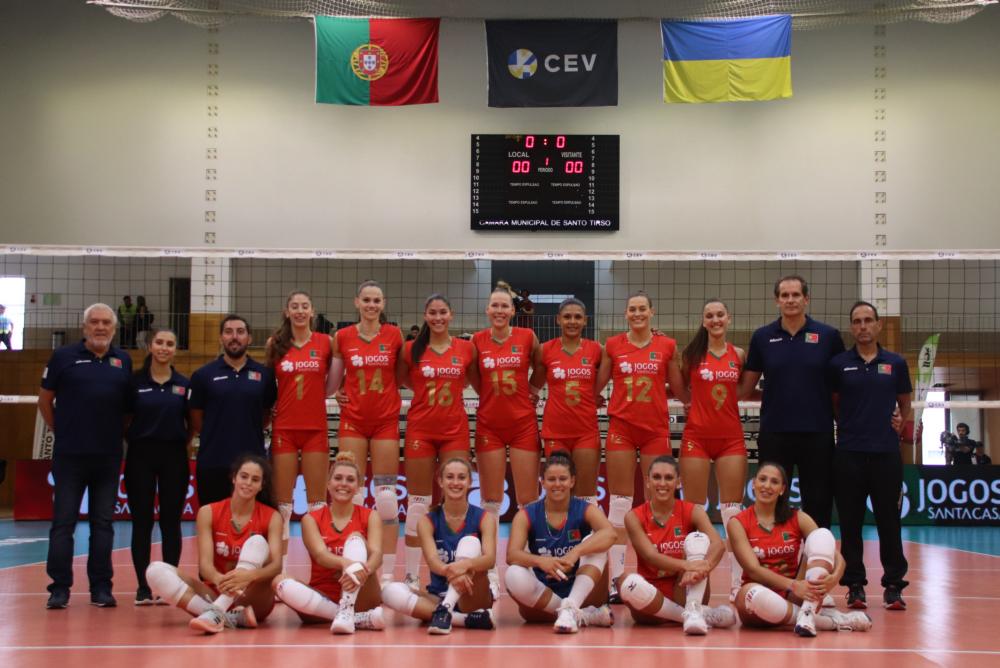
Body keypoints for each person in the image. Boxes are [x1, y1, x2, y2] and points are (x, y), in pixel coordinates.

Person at [38, 303, 133, 609]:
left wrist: (116, 434)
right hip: (70, 456)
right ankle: (59, 589)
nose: (100, 327)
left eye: (106, 322)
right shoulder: (63, 357)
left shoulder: (123, 360)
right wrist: (62, 430)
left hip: (107, 457)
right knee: (63, 523)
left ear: (114, 328)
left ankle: (101, 588)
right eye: (94, 322)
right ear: (85, 327)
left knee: (103, 524)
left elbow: (127, 410)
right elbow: (45, 400)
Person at [740, 275, 845, 528]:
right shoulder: (762, 337)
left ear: (806, 299)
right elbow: (744, 389)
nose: (790, 300)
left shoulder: (828, 336)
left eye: (796, 295)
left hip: (817, 433)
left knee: (819, 501)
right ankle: (773, 550)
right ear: (777, 300)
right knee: (772, 501)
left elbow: (841, 388)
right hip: (775, 433)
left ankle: (817, 551)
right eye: (784, 295)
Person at [599, 290, 685, 600]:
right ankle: (616, 578)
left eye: (642, 309)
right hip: (622, 428)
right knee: (620, 502)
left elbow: (679, 388)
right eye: (632, 309)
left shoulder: (667, 345)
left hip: (655, 429)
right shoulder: (612, 345)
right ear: (626, 314)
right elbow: (596, 385)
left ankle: (658, 574)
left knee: (659, 501)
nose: (637, 314)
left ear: (651, 312)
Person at [829, 301, 913, 611]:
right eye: (857, 321)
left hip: (885, 455)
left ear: (878, 325)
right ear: (851, 327)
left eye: (868, 320)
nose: (863, 326)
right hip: (848, 454)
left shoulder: (896, 363)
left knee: (889, 522)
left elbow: (905, 402)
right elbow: (834, 403)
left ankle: (893, 585)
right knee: (850, 524)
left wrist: (900, 421)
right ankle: (854, 586)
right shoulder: (839, 364)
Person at [728, 462, 872, 636]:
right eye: (762, 479)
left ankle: (807, 612)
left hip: (795, 594)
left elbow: (836, 556)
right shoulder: (738, 522)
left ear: (782, 489)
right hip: (760, 596)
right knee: (749, 595)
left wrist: (833, 578)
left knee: (823, 534)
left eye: (774, 482)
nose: (767, 486)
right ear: (753, 484)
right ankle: (830, 621)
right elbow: (753, 570)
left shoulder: (797, 517)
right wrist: (794, 585)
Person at [146, 454, 282, 633]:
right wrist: (221, 580)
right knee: (155, 571)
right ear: (234, 478)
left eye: (255, 479)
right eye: (244, 476)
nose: (248, 483)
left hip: (254, 599)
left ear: (261, 485)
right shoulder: (208, 512)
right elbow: (205, 567)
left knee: (257, 542)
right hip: (216, 591)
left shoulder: (272, 516)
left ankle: (216, 613)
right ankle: (226, 616)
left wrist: (250, 576)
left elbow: (276, 566)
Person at [396, 294, 478, 590]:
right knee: (418, 504)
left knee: (455, 500)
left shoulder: (466, 348)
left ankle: (457, 568)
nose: (438, 317)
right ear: (425, 316)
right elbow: (402, 380)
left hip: (454, 430)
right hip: (421, 430)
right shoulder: (410, 349)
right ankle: (411, 575)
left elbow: (471, 381)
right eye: (433, 312)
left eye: (443, 312)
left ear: (451, 314)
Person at [331, 280, 403, 583]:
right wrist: (336, 392)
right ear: (356, 302)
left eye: (376, 300)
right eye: (367, 300)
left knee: (386, 497)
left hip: (385, 421)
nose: (371, 305)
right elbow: (332, 383)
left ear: (383, 304)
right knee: (353, 495)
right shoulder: (343, 336)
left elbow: (402, 377)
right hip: (353, 421)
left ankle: (386, 574)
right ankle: (355, 566)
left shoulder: (394, 335)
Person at [472, 281, 542, 594]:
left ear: (513, 311)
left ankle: (525, 567)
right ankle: (490, 571)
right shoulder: (477, 341)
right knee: (491, 501)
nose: (499, 310)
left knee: (528, 500)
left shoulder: (527, 337)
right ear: (487, 310)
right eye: (495, 306)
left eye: (504, 306)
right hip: (490, 425)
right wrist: (490, 396)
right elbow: (475, 378)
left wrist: (534, 390)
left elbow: (541, 367)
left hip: (523, 424)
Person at [679, 298, 749, 599]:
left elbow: (743, 390)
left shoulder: (739, 354)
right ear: (703, 321)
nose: (715, 320)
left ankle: (737, 582)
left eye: (720, 315)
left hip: (730, 438)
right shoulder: (691, 355)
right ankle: (693, 577)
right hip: (696, 436)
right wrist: (690, 404)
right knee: (694, 510)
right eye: (710, 315)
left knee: (732, 511)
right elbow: (680, 388)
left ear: (728, 319)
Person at [619, 456, 736, 634]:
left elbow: (718, 544)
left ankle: (694, 607)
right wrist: (687, 565)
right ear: (648, 481)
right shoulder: (633, 516)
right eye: (656, 477)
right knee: (625, 582)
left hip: (685, 586)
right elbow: (650, 556)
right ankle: (698, 615)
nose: (662, 483)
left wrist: (703, 566)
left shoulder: (692, 511)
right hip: (650, 597)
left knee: (698, 539)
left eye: (668, 478)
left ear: (678, 482)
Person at [273, 452, 385, 634]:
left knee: (355, 538)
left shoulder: (370, 516)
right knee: (279, 582)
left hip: (362, 595)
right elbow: (320, 555)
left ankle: (348, 609)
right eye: (338, 478)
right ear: (328, 483)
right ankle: (354, 618)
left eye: (350, 480)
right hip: (323, 599)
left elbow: (377, 554)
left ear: (358, 487)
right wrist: (345, 564)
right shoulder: (311, 519)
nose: (343, 484)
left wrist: (363, 570)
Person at [504, 451, 616, 633]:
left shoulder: (584, 509)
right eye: (551, 479)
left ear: (572, 481)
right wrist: (541, 561)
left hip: (584, 592)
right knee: (513, 574)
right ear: (542, 482)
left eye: (563, 479)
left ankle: (571, 607)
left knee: (596, 542)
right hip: (546, 596)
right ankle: (576, 614)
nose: (557, 484)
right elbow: (512, 555)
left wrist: (575, 553)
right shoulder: (527, 514)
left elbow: (610, 534)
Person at [382, 458, 497, 633]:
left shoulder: (484, 518)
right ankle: (461, 618)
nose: (455, 482)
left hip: (473, 596)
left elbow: (489, 559)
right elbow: (433, 561)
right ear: (440, 481)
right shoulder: (427, 520)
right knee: (389, 591)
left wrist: (463, 566)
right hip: (438, 597)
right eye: (450, 477)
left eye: (461, 477)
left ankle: (445, 612)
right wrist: (450, 571)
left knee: (470, 542)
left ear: (469, 482)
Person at [266, 291, 336, 565]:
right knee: (283, 506)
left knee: (318, 505)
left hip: (315, 428)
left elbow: (336, 379)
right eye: (294, 306)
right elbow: (268, 383)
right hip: (284, 428)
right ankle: (279, 570)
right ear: (287, 312)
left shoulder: (325, 342)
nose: (299, 311)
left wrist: (338, 393)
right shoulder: (276, 343)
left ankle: (321, 568)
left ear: (312, 311)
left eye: (304, 306)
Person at [125, 327, 192, 605]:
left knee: (170, 522)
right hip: (140, 455)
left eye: (170, 343)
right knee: (142, 522)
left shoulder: (184, 384)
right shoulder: (134, 382)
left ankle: (169, 585)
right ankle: (143, 587)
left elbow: (191, 424)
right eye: (160, 342)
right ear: (150, 346)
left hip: (174, 456)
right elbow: (125, 420)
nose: (164, 347)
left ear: (175, 349)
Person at [188, 314, 277, 505]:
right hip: (213, 462)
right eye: (228, 332)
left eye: (240, 332)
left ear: (249, 338)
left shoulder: (264, 375)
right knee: (212, 519)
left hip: (252, 464)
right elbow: (196, 418)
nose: (234, 337)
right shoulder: (203, 375)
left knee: (252, 521)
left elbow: (266, 415)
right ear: (221, 338)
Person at [531, 297, 606, 503]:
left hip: (586, 432)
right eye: (567, 317)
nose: (572, 321)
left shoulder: (597, 350)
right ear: (558, 319)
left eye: (577, 317)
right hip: (555, 432)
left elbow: (618, 371)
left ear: (585, 320)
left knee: (586, 495)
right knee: (559, 493)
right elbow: (532, 388)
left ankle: (586, 526)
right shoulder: (545, 350)